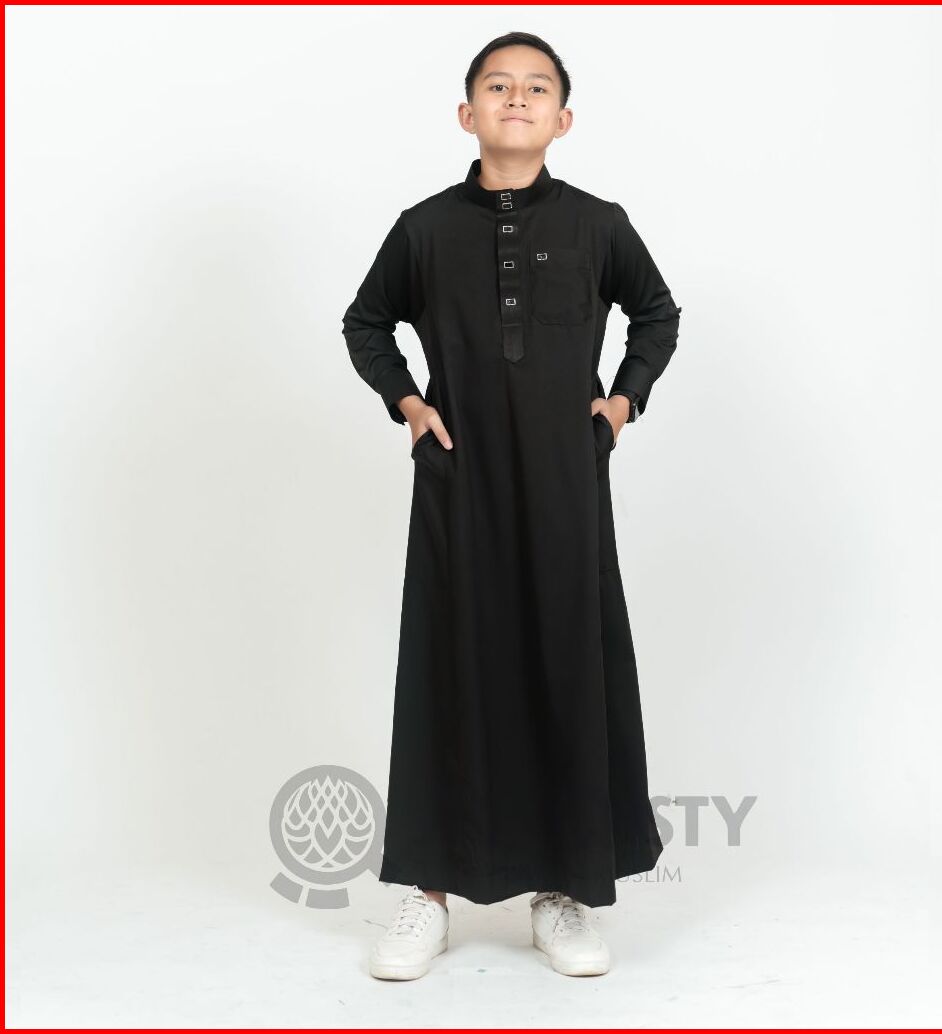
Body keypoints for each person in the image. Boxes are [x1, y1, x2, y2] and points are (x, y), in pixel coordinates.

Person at [341, 31, 682, 980]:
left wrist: (621, 403)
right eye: (499, 86)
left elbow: (657, 313)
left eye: (537, 88)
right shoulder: (423, 229)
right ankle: (429, 894)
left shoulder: (598, 225)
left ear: (563, 119)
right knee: (450, 667)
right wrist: (409, 405)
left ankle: (562, 891)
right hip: (461, 486)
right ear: (468, 113)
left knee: (564, 665)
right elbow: (366, 322)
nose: (518, 98)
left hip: (567, 487)